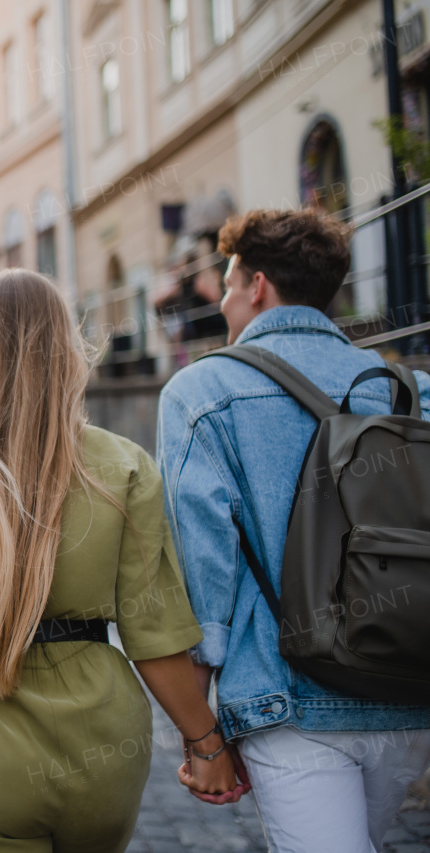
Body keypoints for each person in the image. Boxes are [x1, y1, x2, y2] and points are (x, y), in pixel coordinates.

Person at [0, 269, 243, 852]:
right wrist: (207, 745)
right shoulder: (125, 468)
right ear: (69, 353)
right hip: (103, 752)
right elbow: (154, 635)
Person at [156, 207, 430, 852]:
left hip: (288, 700)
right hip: (414, 686)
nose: (222, 303)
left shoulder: (202, 393)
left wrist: (201, 737)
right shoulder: (412, 391)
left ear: (256, 286)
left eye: (226, 286)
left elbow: (205, 576)